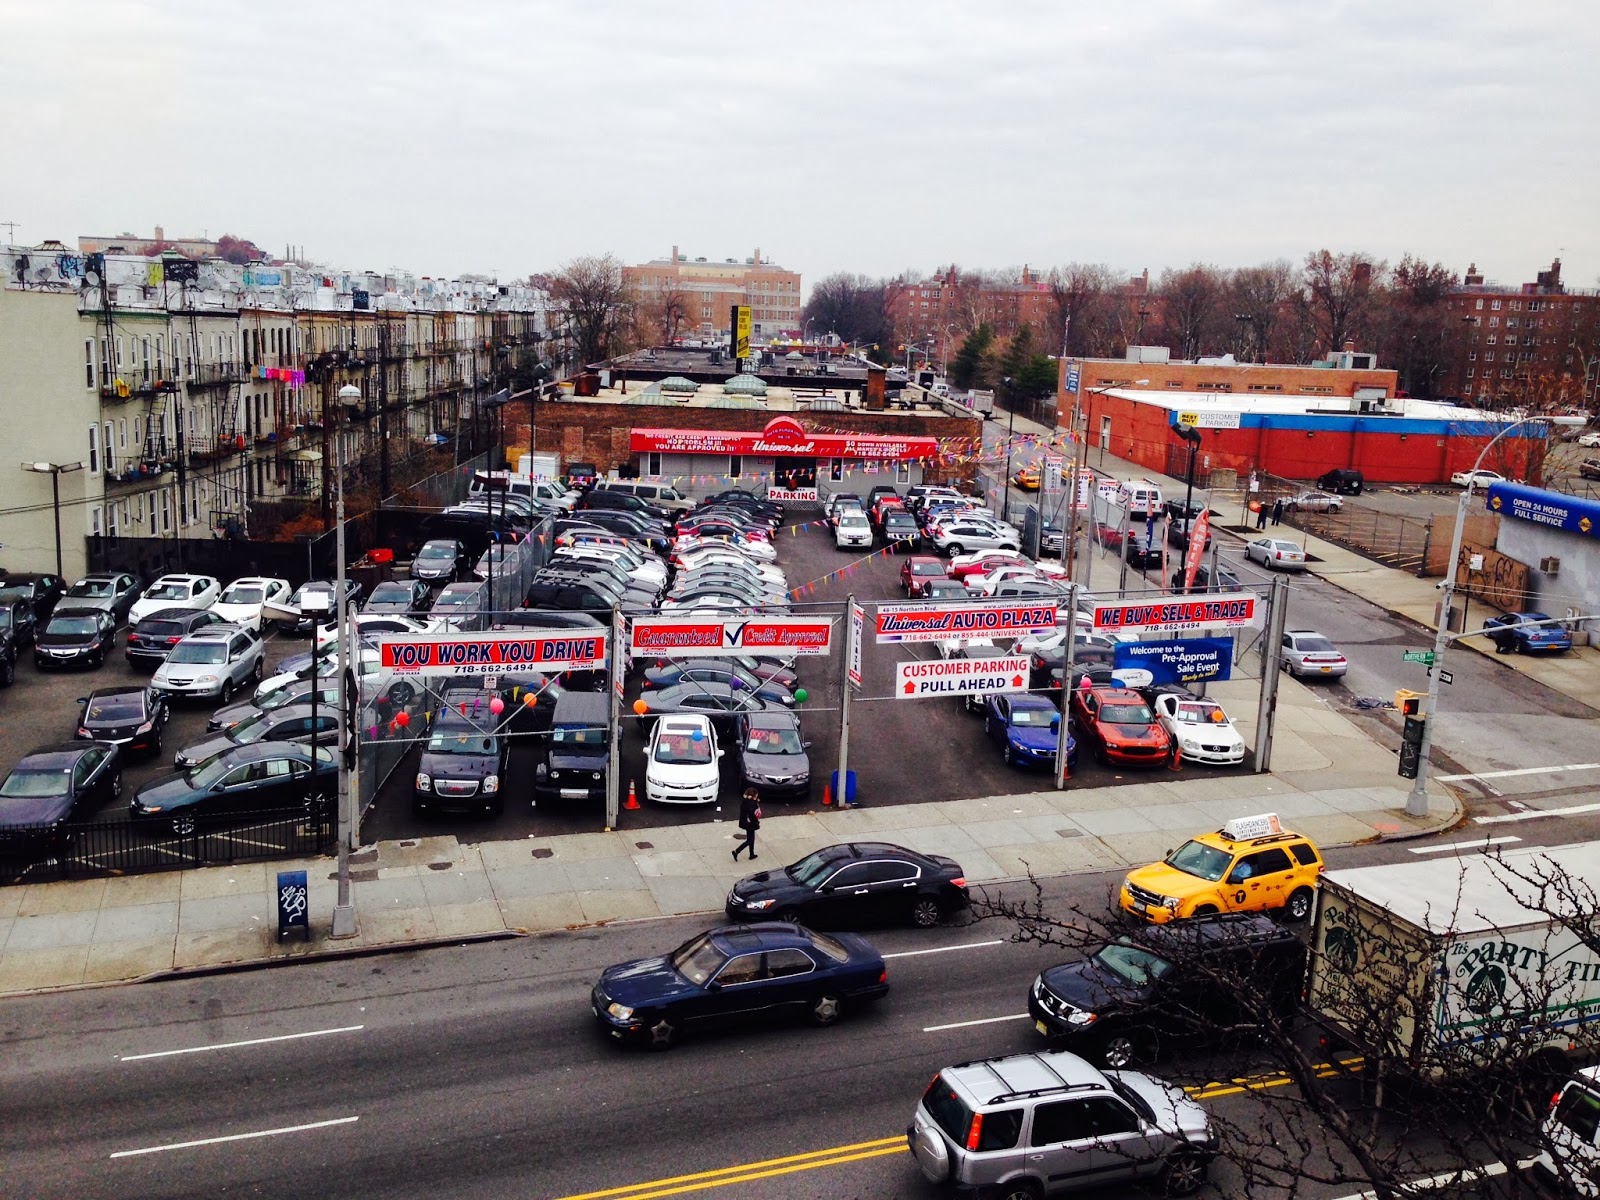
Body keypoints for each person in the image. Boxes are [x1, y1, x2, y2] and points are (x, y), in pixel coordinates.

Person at [732, 788, 761, 861]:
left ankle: (751, 854)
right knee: (750, 840)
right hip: (750, 823)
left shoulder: (745, 802)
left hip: (745, 823)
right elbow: (753, 815)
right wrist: (756, 822)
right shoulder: (752, 804)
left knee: (751, 838)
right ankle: (736, 851)